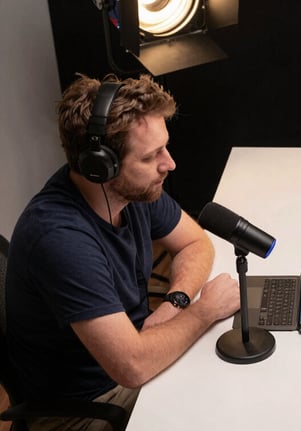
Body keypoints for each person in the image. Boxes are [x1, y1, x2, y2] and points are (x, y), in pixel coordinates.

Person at [5, 74, 241, 430]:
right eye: (151, 156)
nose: (169, 164)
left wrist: (175, 302)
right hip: (86, 408)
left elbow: (196, 242)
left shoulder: (131, 191)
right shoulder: (59, 239)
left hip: (136, 356)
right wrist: (202, 312)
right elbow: (132, 366)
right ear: (101, 166)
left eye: (165, 147)